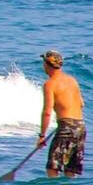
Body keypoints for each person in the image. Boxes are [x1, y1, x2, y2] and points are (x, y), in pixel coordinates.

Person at [36, 50, 85, 179]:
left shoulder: (50, 84)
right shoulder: (72, 80)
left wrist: (42, 136)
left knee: (53, 167)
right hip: (80, 127)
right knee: (70, 169)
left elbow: (47, 112)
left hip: (66, 127)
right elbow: (81, 104)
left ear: (47, 64)